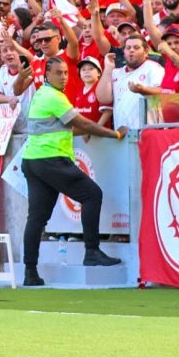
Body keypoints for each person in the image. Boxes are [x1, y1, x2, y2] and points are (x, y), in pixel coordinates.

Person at [20, 57, 127, 287]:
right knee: (92, 195)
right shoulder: (54, 97)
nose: (64, 77)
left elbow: (65, 128)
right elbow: (83, 124)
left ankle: (30, 272)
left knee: (36, 218)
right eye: (58, 73)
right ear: (47, 74)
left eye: (66, 72)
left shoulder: (41, 94)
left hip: (33, 160)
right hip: (52, 159)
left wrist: (88, 131)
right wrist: (114, 134)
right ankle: (92, 252)